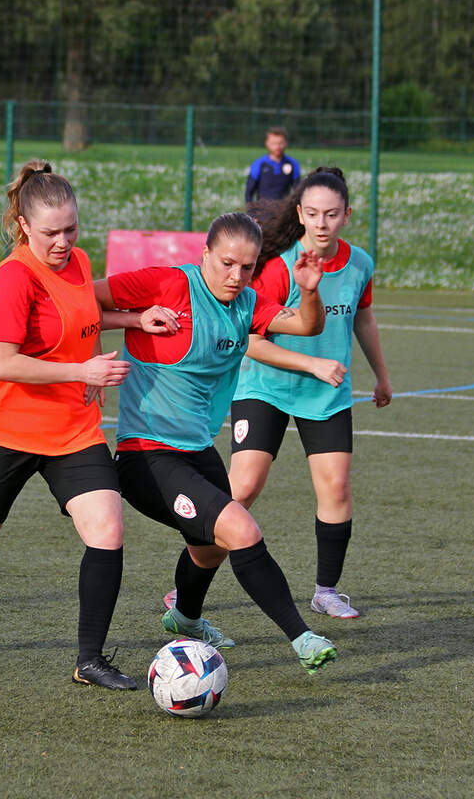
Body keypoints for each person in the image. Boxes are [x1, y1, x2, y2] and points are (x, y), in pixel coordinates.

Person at [0, 161, 168, 690]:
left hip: (72, 429)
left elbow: (82, 316)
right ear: (22, 225)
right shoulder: (15, 277)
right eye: (50, 232)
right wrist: (84, 369)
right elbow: (4, 361)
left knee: (107, 528)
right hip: (4, 430)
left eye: (71, 229)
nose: (63, 241)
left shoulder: (80, 263)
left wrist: (134, 318)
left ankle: (89, 660)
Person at [95, 212, 340, 674]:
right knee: (241, 528)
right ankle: (303, 638)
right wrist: (132, 319)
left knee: (211, 547)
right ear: (204, 253)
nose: (236, 276)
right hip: (145, 454)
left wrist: (309, 290)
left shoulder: (247, 302)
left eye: (247, 267)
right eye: (227, 263)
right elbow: (79, 301)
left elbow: (309, 327)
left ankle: (184, 616)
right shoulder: (166, 284)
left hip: (197, 450)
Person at [164, 167, 391, 620]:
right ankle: (185, 589)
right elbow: (253, 339)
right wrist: (313, 362)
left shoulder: (360, 263)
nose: (321, 223)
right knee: (241, 488)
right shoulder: (280, 266)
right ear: (300, 214)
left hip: (325, 395)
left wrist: (381, 376)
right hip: (264, 387)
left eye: (331, 214)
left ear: (347, 215)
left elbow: (363, 318)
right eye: (312, 213)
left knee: (337, 488)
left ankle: (326, 591)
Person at [244, 127, 300, 204]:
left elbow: (298, 192)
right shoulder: (259, 164)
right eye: (274, 143)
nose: (277, 147)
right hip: (262, 212)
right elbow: (249, 193)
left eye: (281, 143)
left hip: (283, 212)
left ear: (286, 143)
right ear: (267, 143)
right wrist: (251, 213)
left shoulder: (293, 164)